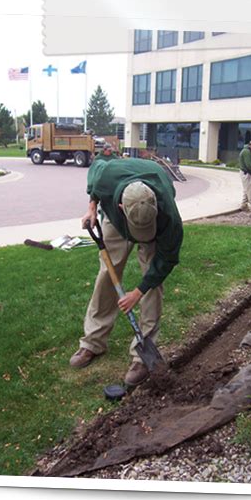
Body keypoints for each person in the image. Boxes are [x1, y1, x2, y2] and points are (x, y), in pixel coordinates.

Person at [69, 157, 184, 386]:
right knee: (106, 277)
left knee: (152, 286)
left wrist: (138, 291)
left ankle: (142, 353)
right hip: (115, 221)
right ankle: (93, 342)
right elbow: (94, 178)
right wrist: (92, 208)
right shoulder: (106, 177)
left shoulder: (169, 218)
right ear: (121, 206)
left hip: (155, 226)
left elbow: (166, 260)